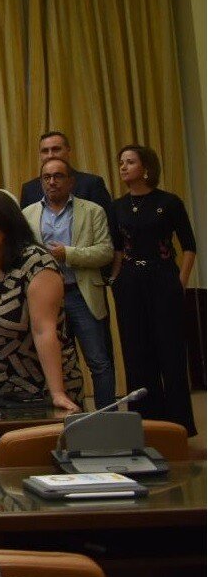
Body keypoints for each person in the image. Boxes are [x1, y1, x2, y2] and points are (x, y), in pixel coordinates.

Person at [0, 192, 83, 412]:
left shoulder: (36, 262)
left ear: (6, 222)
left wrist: (57, 393)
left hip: (39, 389)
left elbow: (44, 331)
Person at [111, 144, 198, 434]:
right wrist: (115, 279)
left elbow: (189, 246)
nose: (123, 167)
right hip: (130, 282)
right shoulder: (118, 206)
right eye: (121, 162)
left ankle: (179, 426)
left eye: (130, 162)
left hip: (163, 278)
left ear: (146, 167)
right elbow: (117, 249)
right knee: (136, 353)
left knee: (170, 351)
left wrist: (180, 281)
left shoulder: (169, 202)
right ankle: (145, 424)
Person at [23, 158, 115, 408]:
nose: (52, 182)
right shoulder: (28, 214)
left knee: (98, 362)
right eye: (46, 177)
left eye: (58, 176)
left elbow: (106, 251)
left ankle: (106, 420)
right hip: (45, 302)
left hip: (80, 294)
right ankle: (68, 419)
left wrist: (69, 254)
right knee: (56, 363)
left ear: (71, 181)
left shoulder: (92, 210)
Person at [16, 130, 114, 213]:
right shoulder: (29, 189)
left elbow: (107, 224)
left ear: (68, 150)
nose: (50, 155)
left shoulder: (92, 184)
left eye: (56, 149)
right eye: (45, 151)